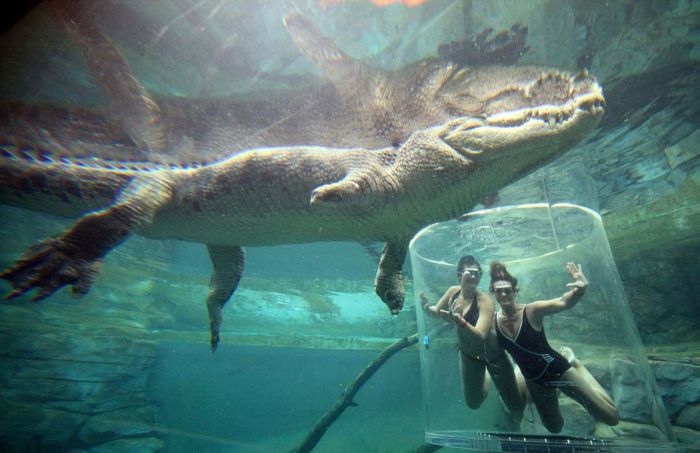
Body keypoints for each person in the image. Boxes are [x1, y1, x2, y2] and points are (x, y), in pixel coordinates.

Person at [490, 261, 619, 433]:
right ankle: (549, 388)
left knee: (611, 418)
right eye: (499, 291)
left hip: (557, 368)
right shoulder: (492, 322)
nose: (504, 294)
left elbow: (563, 302)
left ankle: (577, 365)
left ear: (516, 291)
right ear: (493, 293)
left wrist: (579, 290)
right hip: (534, 379)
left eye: (508, 290)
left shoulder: (531, 311)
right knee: (554, 427)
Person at [421, 256, 525, 420]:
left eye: (477, 273)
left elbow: (481, 336)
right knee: (474, 403)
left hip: (494, 356)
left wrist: (461, 322)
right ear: (459, 275)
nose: (474, 277)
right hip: (469, 355)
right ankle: (488, 375)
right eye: (469, 273)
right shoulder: (452, 292)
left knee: (516, 408)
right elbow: (436, 312)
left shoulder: (485, 300)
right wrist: (427, 308)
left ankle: (518, 372)